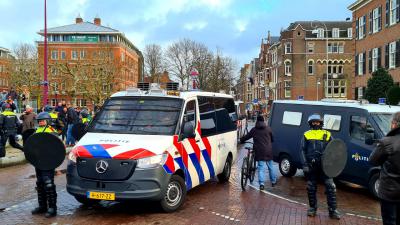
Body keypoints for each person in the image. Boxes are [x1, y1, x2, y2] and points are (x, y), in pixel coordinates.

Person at [301, 114, 340, 219]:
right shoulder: (306, 134)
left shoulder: (327, 134)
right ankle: (312, 208)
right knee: (311, 187)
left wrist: (333, 161)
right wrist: (305, 164)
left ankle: (333, 210)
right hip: (311, 165)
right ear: (310, 123)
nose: (315, 123)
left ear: (321, 123)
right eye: (313, 122)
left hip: (325, 166)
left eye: (317, 122)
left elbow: (334, 147)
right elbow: (302, 150)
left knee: (331, 187)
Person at [369, 112, 400, 225]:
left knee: (389, 221)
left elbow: (373, 160)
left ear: (394, 124)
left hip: (389, 192)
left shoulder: (387, 142)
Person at [31, 112, 58, 218]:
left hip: (48, 161)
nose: (41, 122)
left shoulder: (52, 131)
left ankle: (52, 208)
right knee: (40, 183)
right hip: (39, 161)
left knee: (48, 183)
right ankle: (42, 206)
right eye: (39, 120)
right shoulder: (37, 130)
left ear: (48, 121)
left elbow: (56, 147)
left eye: (42, 120)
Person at [240, 115, 277, 190]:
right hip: (268, 151)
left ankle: (262, 184)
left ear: (257, 121)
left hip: (259, 151)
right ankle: (273, 181)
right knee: (271, 166)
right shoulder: (268, 129)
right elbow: (273, 139)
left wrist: (241, 140)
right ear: (263, 121)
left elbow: (247, 136)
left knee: (261, 168)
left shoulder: (254, 129)